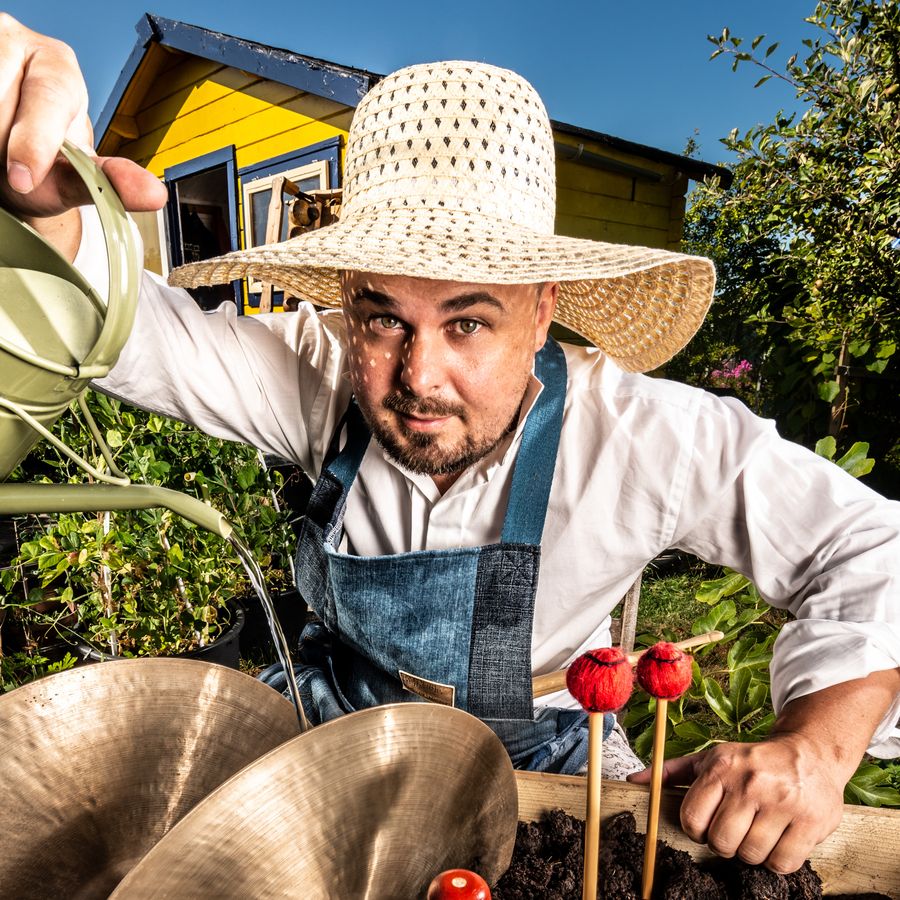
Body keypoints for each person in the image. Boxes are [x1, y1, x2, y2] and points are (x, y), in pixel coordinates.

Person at [2, 13, 898, 877]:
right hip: (330, 722)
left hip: (542, 760)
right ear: (345, 300)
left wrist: (817, 748)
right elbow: (128, 330)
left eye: (468, 322)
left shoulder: (645, 435)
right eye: (383, 318)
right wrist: (34, 202)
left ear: (544, 309)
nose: (417, 377)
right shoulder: (317, 374)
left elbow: (873, 548)